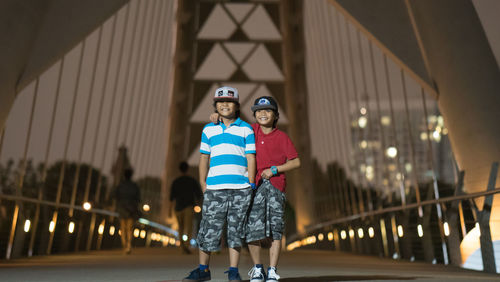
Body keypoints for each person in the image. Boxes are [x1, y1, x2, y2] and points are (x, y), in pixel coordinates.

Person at [210, 96, 300, 282]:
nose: (263, 114)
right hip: (253, 186)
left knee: (276, 229)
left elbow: (296, 161)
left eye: (268, 111)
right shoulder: (250, 130)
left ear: (276, 115)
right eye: (259, 111)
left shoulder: (282, 137)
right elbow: (232, 125)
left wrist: (275, 169)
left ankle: (273, 270)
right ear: (254, 115)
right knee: (252, 229)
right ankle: (258, 268)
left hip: (275, 186)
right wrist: (217, 117)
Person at [183, 86, 256, 282]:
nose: (225, 104)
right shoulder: (208, 129)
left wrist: (250, 183)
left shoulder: (246, 128)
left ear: (237, 106)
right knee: (208, 230)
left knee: (235, 231)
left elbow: (250, 157)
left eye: (230, 101)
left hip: (240, 188)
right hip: (214, 187)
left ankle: (233, 271)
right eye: (221, 101)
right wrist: (202, 182)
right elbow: (203, 158)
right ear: (215, 106)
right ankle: (203, 270)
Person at [169, 161, 203, 254]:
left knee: (180, 227)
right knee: (188, 227)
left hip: (178, 208)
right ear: (187, 169)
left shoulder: (176, 182)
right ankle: (186, 246)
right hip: (189, 207)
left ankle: (181, 246)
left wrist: (169, 210)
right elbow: (199, 194)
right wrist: (198, 205)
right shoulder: (192, 181)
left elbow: (171, 198)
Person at [112, 168, 141, 254]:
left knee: (123, 228)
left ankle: (124, 244)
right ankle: (128, 245)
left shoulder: (120, 185)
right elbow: (138, 199)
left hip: (121, 209)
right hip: (131, 210)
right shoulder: (134, 186)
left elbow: (114, 196)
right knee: (130, 229)